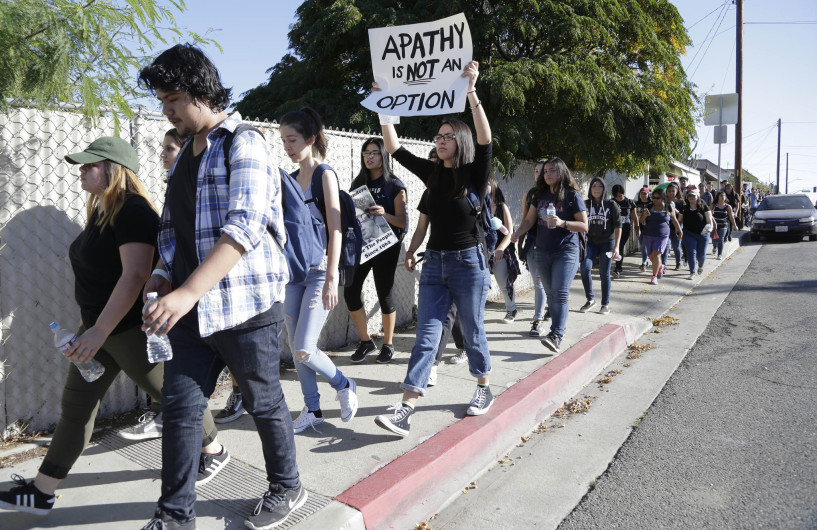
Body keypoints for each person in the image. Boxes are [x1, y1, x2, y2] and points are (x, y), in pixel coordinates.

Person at [0, 138, 218, 516]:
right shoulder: (103, 211)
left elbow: (135, 276)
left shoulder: (132, 211)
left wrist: (98, 330)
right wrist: (88, 327)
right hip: (99, 330)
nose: (81, 170)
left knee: (174, 395)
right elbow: (103, 278)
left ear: (114, 169)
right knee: (76, 408)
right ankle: (43, 491)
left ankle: (213, 448)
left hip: (131, 331)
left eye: (90, 165)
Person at [137, 44, 304, 530]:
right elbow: (174, 231)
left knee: (262, 399)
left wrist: (187, 291)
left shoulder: (243, 142)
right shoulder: (184, 155)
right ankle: (174, 517)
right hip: (190, 312)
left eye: (171, 99)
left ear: (195, 90)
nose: (165, 109)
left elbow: (244, 228)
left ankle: (287, 486)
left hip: (244, 307)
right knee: (182, 410)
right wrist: (164, 275)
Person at [373, 61, 495, 438]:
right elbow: (392, 145)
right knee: (428, 335)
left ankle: (483, 386)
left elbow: (486, 138)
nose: (439, 140)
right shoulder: (433, 174)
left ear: (459, 141)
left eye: (447, 135)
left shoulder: (474, 172)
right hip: (435, 266)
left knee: (472, 330)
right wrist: (382, 104)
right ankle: (407, 407)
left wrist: (471, 90)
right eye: (438, 135)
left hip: (468, 264)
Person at [278, 108, 359, 434]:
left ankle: (344, 384)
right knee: (298, 350)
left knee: (304, 347)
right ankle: (312, 409)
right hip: (292, 274)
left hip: (318, 271)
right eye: (283, 140)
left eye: (293, 139)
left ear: (311, 139)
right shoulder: (290, 180)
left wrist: (330, 277)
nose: (287, 146)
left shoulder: (325, 174)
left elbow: (336, 230)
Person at [512, 157, 589, 352]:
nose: (547, 174)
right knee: (550, 294)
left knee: (560, 293)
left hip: (566, 251)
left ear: (561, 172)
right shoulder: (539, 195)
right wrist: (518, 233)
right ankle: (555, 331)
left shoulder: (572, 196)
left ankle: (556, 334)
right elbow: (529, 221)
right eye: (545, 171)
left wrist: (563, 223)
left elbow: (584, 225)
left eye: (552, 170)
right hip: (542, 251)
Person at [345, 138, 407, 364]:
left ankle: (388, 344)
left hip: (386, 248)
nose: (369, 157)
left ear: (383, 156)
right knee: (350, 291)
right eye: (365, 153)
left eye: (374, 152)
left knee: (385, 294)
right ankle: (366, 341)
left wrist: (385, 214)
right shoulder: (358, 183)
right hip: (363, 246)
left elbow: (402, 222)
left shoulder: (395, 185)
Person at [579, 177, 622, 314]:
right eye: (594, 186)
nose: (597, 189)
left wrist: (616, 246)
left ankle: (605, 304)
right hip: (590, 242)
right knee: (585, 268)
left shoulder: (611, 204)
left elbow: (618, 226)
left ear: (604, 189)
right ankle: (590, 299)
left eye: (600, 186)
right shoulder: (585, 204)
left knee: (604, 273)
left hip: (607, 242)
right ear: (590, 189)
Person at [520, 161, 549, 336]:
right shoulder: (530, 194)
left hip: (551, 246)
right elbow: (525, 220)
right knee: (538, 282)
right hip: (533, 243)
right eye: (536, 171)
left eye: (542, 171)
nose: (538, 174)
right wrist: (519, 243)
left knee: (541, 283)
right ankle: (542, 314)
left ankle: (538, 320)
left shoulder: (555, 193)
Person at [488, 174, 520, 323]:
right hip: (482, 251)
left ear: (493, 186)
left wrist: (500, 248)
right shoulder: (478, 205)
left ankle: (511, 309)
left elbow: (510, 232)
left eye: (486, 184)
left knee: (503, 282)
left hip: (500, 251)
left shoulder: (502, 207)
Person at [639, 187, 682, 285]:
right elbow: (641, 221)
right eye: (653, 197)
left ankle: (654, 277)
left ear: (663, 198)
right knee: (650, 255)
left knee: (657, 254)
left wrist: (679, 230)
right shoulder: (649, 206)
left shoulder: (669, 207)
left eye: (657, 198)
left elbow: (674, 220)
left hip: (662, 235)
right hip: (649, 234)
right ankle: (661, 266)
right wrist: (645, 215)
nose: (654, 199)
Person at [678, 188, 714, 279]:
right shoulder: (685, 208)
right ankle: (692, 272)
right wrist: (678, 229)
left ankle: (700, 266)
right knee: (691, 252)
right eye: (689, 196)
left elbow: (709, 221)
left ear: (697, 197)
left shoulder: (703, 206)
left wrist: (706, 232)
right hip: (688, 234)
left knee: (701, 255)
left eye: (693, 196)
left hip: (703, 233)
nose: (691, 198)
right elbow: (680, 220)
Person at [611, 184, 635, 279]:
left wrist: (637, 228)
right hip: (613, 229)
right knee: (612, 246)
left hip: (625, 228)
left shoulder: (629, 202)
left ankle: (618, 268)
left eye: (620, 195)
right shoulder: (611, 202)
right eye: (616, 196)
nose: (619, 198)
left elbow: (634, 216)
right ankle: (615, 266)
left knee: (619, 246)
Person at [663, 182, 684, 271]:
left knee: (676, 247)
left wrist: (676, 212)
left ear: (676, 191)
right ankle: (663, 266)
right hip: (666, 228)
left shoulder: (680, 202)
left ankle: (678, 262)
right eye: (669, 191)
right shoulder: (663, 201)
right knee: (666, 247)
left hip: (677, 227)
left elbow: (682, 215)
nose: (671, 193)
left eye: (673, 191)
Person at [711, 191, 739, 259]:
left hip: (724, 226)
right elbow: (709, 216)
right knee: (714, 239)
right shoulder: (714, 205)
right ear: (718, 197)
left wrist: (735, 225)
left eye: (724, 195)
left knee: (721, 239)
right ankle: (715, 247)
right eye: (721, 196)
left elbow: (731, 217)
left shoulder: (728, 207)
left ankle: (719, 254)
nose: (722, 197)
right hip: (714, 226)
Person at [633, 186, 652, 272]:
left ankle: (644, 262)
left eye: (645, 193)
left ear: (648, 194)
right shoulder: (636, 204)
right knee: (642, 245)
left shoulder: (652, 203)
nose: (643, 195)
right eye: (642, 194)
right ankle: (646, 261)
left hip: (649, 228)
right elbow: (633, 216)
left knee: (644, 245)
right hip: (639, 227)